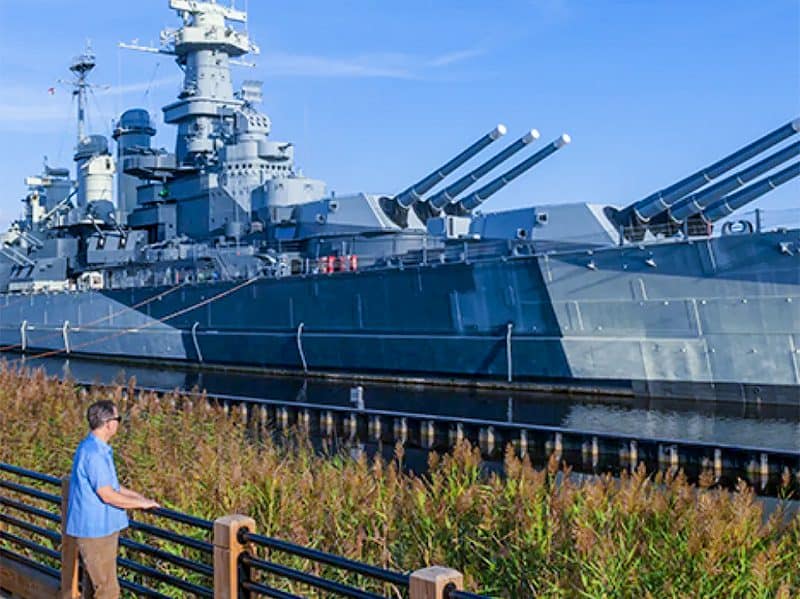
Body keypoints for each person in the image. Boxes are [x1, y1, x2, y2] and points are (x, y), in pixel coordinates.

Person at [65, 400, 159, 599]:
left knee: (95, 587)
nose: (119, 423)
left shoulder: (94, 448)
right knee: (108, 590)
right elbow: (106, 494)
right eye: (118, 419)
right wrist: (141, 504)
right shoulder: (95, 454)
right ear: (108, 423)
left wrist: (140, 498)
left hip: (101, 529)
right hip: (96, 531)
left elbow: (113, 487)